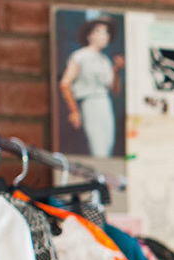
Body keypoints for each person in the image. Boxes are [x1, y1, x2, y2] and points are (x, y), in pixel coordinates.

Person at [59, 17, 124, 158]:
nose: (104, 36)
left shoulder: (105, 61)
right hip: (89, 104)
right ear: (90, 35)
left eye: (106, 32)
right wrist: (74, 110)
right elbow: (65, 83)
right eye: (99, 31)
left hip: (105, 104)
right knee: (98, 147)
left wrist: (116, 69)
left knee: (108, 145)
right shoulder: (80, 56)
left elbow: (115, 89)